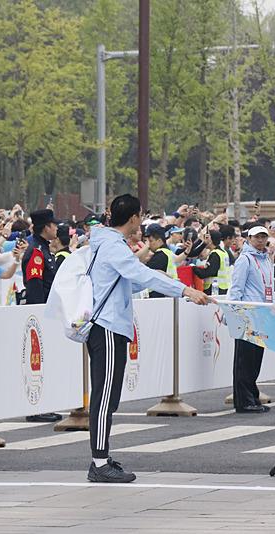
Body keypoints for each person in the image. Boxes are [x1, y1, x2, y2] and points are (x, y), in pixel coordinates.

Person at [86, 194, 210, 483]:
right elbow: (139, 274)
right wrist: (184, 290)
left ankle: (101, 458)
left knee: (108, 396)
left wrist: (169, 283)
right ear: (133, 218)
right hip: (107, 327)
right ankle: (99, 462)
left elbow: (128, 282)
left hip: (110, 326)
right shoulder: (112, 245)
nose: (140, 222)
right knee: (104, 397)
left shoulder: (108, 243)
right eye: (140, 216)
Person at [22, 209, 63, 423]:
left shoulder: (44, 249)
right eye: (54, 224)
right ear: (46, 227)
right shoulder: (36, 252)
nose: (56, 228)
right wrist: (39, 314)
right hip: (41, 313)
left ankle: (44, 404)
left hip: (48, 312)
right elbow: (35, 286)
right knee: (37, 363)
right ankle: (36, 407)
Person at [228, 224, 274, 413]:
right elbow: (236, 288)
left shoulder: (265, 259)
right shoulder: (245, 259)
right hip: (247, 314)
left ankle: (252, 396)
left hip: (262, 314)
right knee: (245, 359)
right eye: (257, 237)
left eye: (263, 237)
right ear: (249, 239)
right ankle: (244, 400)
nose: (260, 240)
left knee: (255, 358)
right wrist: (234, 312)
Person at [143, 223, 179, 298]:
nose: (149, 245)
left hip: (159, 296)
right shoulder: (167, 252)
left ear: (159, 241)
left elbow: (144, 271)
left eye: (151, 241)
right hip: (169, 294)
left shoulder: (160, 255)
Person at [193, 230, 230, 295]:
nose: (204, 241)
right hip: (223, 287)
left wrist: (194, 268)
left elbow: (208, 272)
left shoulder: (215, 254)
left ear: (210, 240)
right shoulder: (224, 252)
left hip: (214, 289)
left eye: (206, 238)